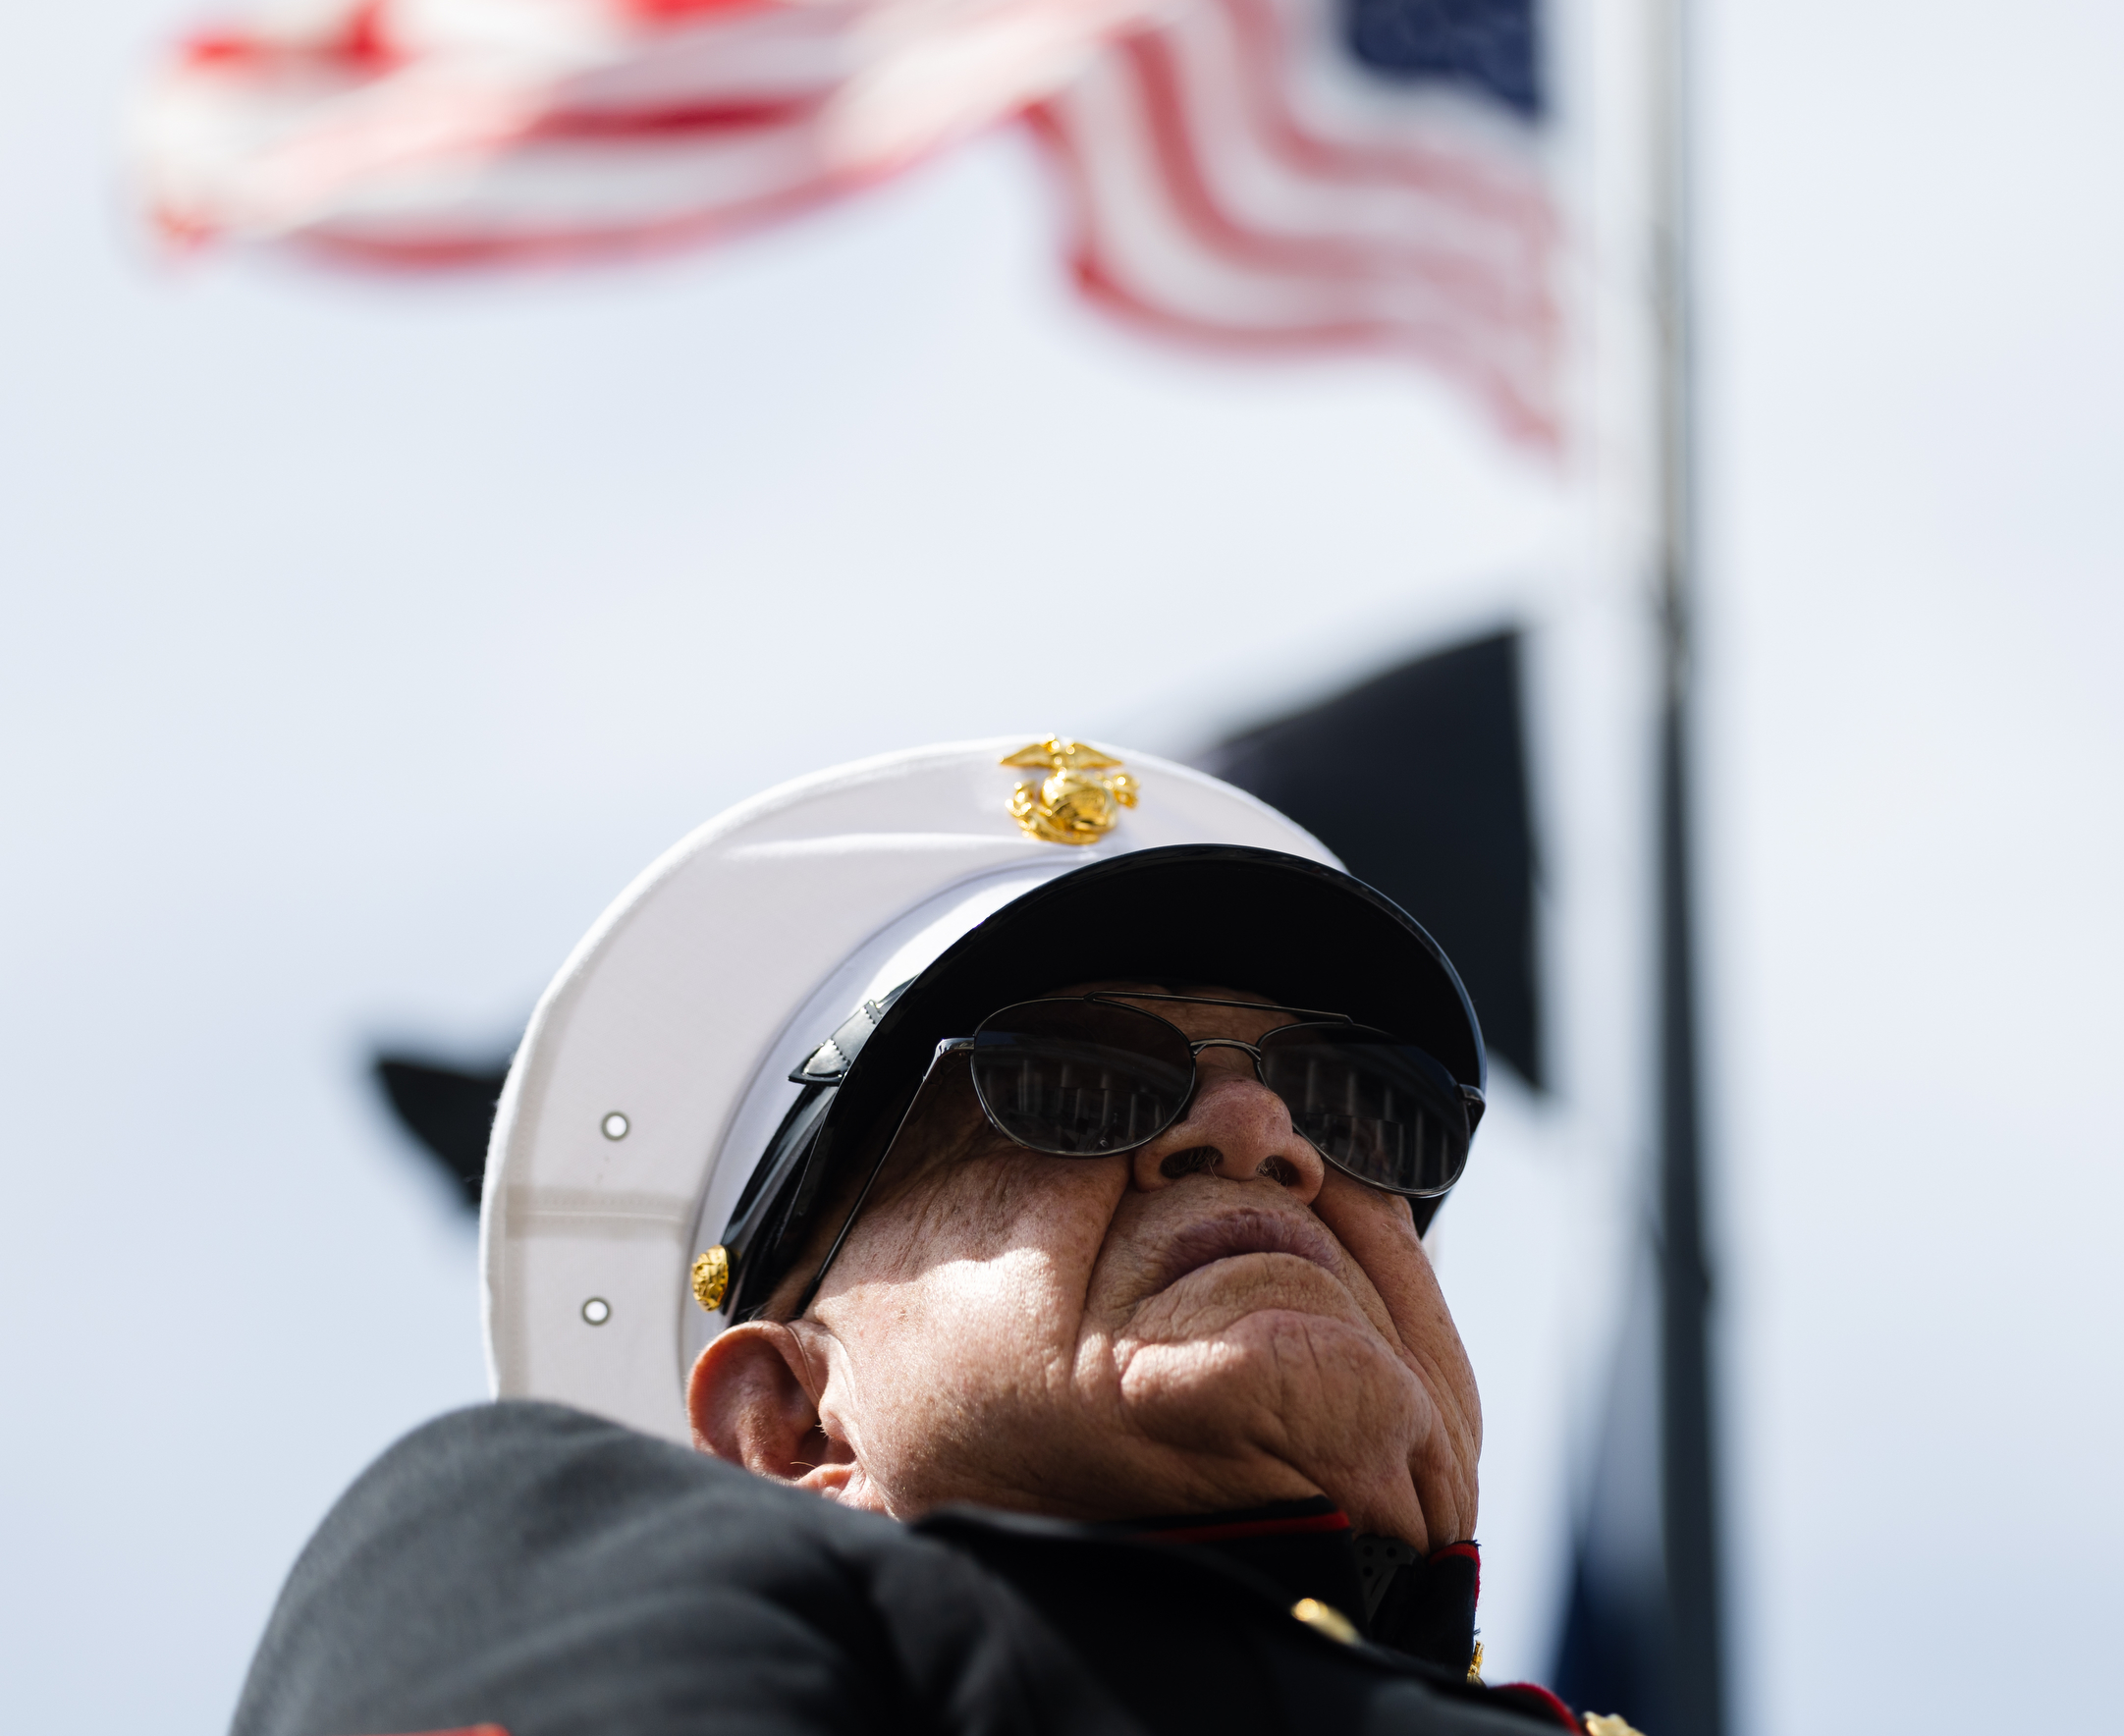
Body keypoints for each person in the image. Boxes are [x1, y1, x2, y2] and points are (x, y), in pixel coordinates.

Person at [231, 740, 1628, 1736]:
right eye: (1071, 1088)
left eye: (1360, 1111)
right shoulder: (532, 1555)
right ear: (787, 1425)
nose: (1267, 1129)